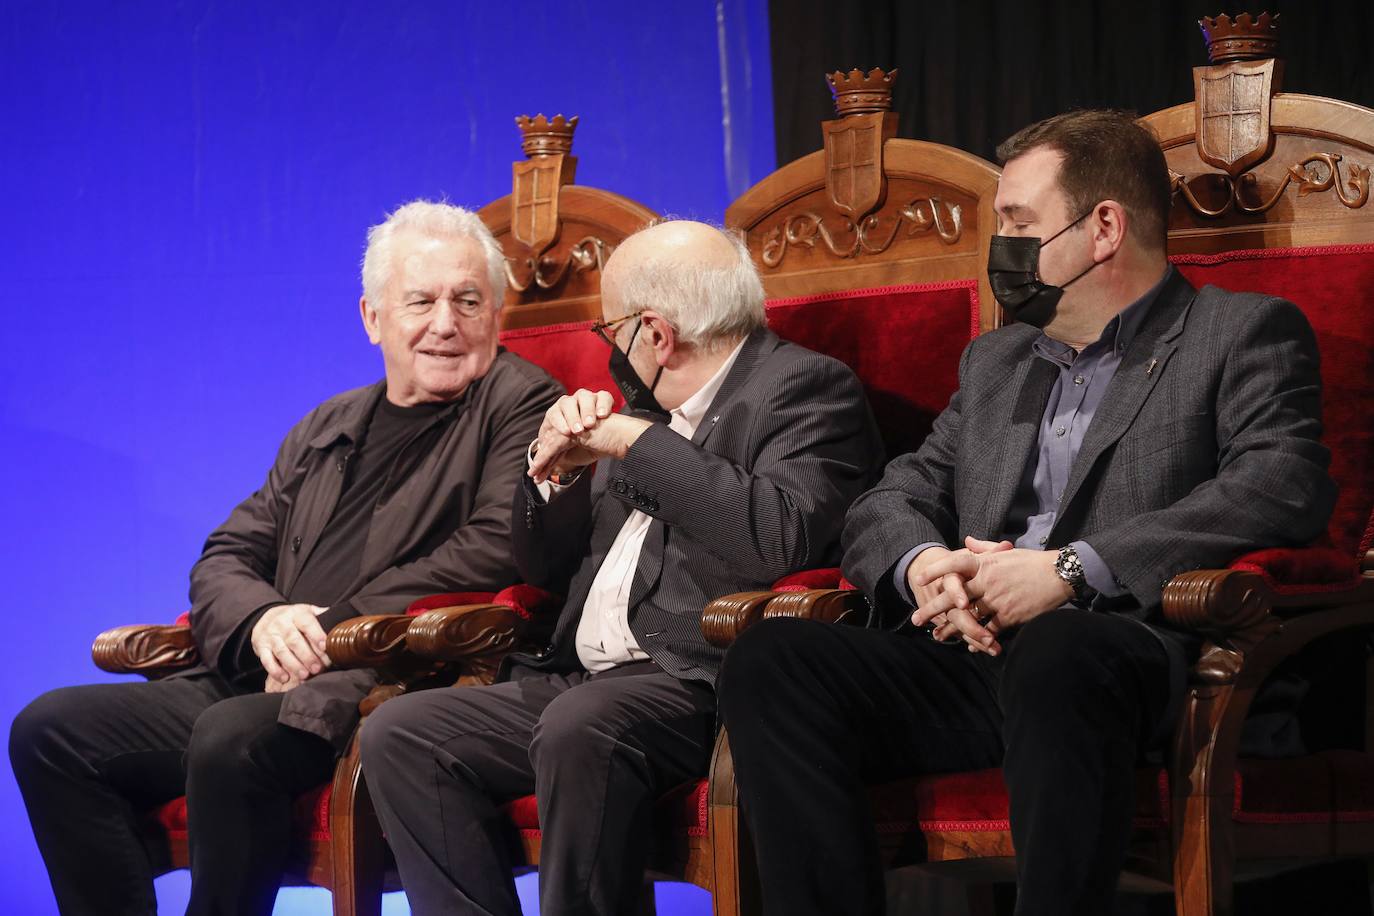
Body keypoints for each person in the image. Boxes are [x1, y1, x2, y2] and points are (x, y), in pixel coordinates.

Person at [717, 109, 1337, 916]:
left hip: (1133, 656)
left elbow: (1280, 482)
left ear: (1104, 227)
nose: (999, 246)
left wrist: (1071, 573)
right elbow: (894, 495)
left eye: (1016, 222)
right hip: (974, 655)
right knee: (770, 659)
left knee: (1059, 649)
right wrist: (924, 569)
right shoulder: (997, 360)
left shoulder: (1239, 332)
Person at [10, 200, 565, 915]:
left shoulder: (521, 403)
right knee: (51, 732)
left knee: (229, 739)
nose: (445, 324)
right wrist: (264, 621)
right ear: (372, 318)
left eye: (467, 302)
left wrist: (324, 634)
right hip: (258, 670)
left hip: (385, 680)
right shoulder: (326, 426)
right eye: (421, 301)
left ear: (496, 314)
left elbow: (493, 547)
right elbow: (227, 552)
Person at [359, 219, 885, 916]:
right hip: (578, 678)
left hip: (699, 680)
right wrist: (553, 475)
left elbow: (777, 537)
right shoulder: (642, 404)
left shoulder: (805, 391)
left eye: (612, 330)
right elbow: (544, 570)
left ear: (656, 334)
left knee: (583, 724)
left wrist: (633, 442)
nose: (611, 350)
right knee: (401, 733)